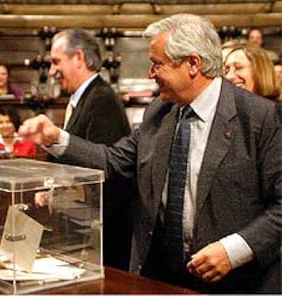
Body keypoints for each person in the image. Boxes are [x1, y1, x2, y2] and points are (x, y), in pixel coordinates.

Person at [18, 14, 281, 293]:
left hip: (235, 283)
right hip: (161, 278)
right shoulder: (160, 112)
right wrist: (56, 138)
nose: (150, 74)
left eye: (157, 64)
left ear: (193, 63)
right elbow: (113, 161)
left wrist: (234, 249)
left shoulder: (259, 117)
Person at [43, 28, 135, 271]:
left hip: (101, 238)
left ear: (79, 58)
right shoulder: (83, 98)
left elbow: (105, 168)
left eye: (55, 62)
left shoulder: (101, 99)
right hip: (81, 229)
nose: (51, 71)